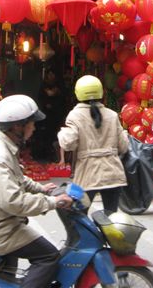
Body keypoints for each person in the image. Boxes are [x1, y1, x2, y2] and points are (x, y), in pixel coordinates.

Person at [0, 95, 73, 288]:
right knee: (48, 256)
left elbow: (17, 178)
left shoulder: (3, 145)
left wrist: (41, 189)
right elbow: (13, 202)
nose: (33, 128)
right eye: (31, 124)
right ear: (17, 126)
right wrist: (52, 202)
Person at [57, 75, 129, 213]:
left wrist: (62, 133)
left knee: (81, 217)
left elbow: (68, 144)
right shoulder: (112, 115)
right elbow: (124, 146)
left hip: (87, 175)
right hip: (113, 173)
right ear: (101, 93)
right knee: (111, 218)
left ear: (78, 93)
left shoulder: (75, 116)